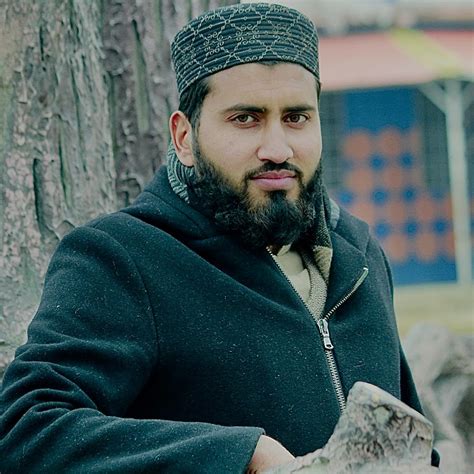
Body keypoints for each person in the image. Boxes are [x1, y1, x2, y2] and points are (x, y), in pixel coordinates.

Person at [0, 3, 439, 473]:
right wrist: (243, 456)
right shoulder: (122, 258)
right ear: (184, 137)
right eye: (245, 118)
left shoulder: (359, 253)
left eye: (296, 118)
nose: (277, 148)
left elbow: (409, 441)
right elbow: (26, 430)